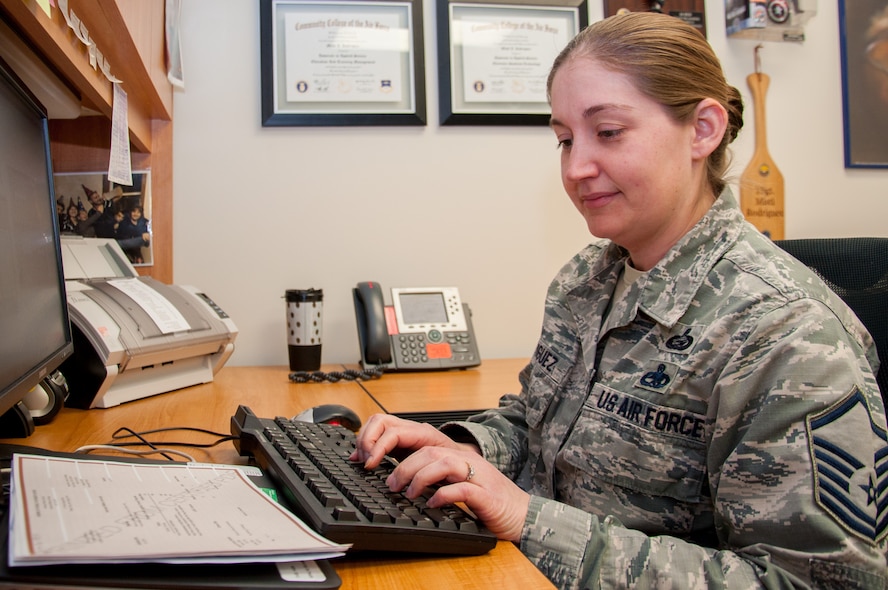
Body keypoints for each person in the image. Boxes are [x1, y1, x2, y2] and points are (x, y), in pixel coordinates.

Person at [351, 12, 888, 589]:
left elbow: (812, 583)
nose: (577, 167)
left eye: (607, 132)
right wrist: (462, 447)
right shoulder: (586, 278)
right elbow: (538, 425)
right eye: (564, 139)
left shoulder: (786, 334)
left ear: (703, 130)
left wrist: (529, 522)